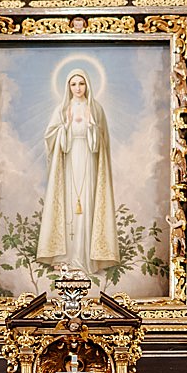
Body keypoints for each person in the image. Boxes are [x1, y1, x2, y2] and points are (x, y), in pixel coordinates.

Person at [37, 69, 119, 276]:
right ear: (68, 87)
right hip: (69, 162)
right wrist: (64, 127)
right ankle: (66, 257)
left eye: (81, 83)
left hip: (89, 163)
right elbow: (52, 138)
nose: (78, 88)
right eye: (73, 84)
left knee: (88, 206)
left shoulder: (96, 109)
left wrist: (92, 127)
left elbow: (100, 143)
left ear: (87, 85)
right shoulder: (62, 109)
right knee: (69, 208)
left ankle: (86, 259)